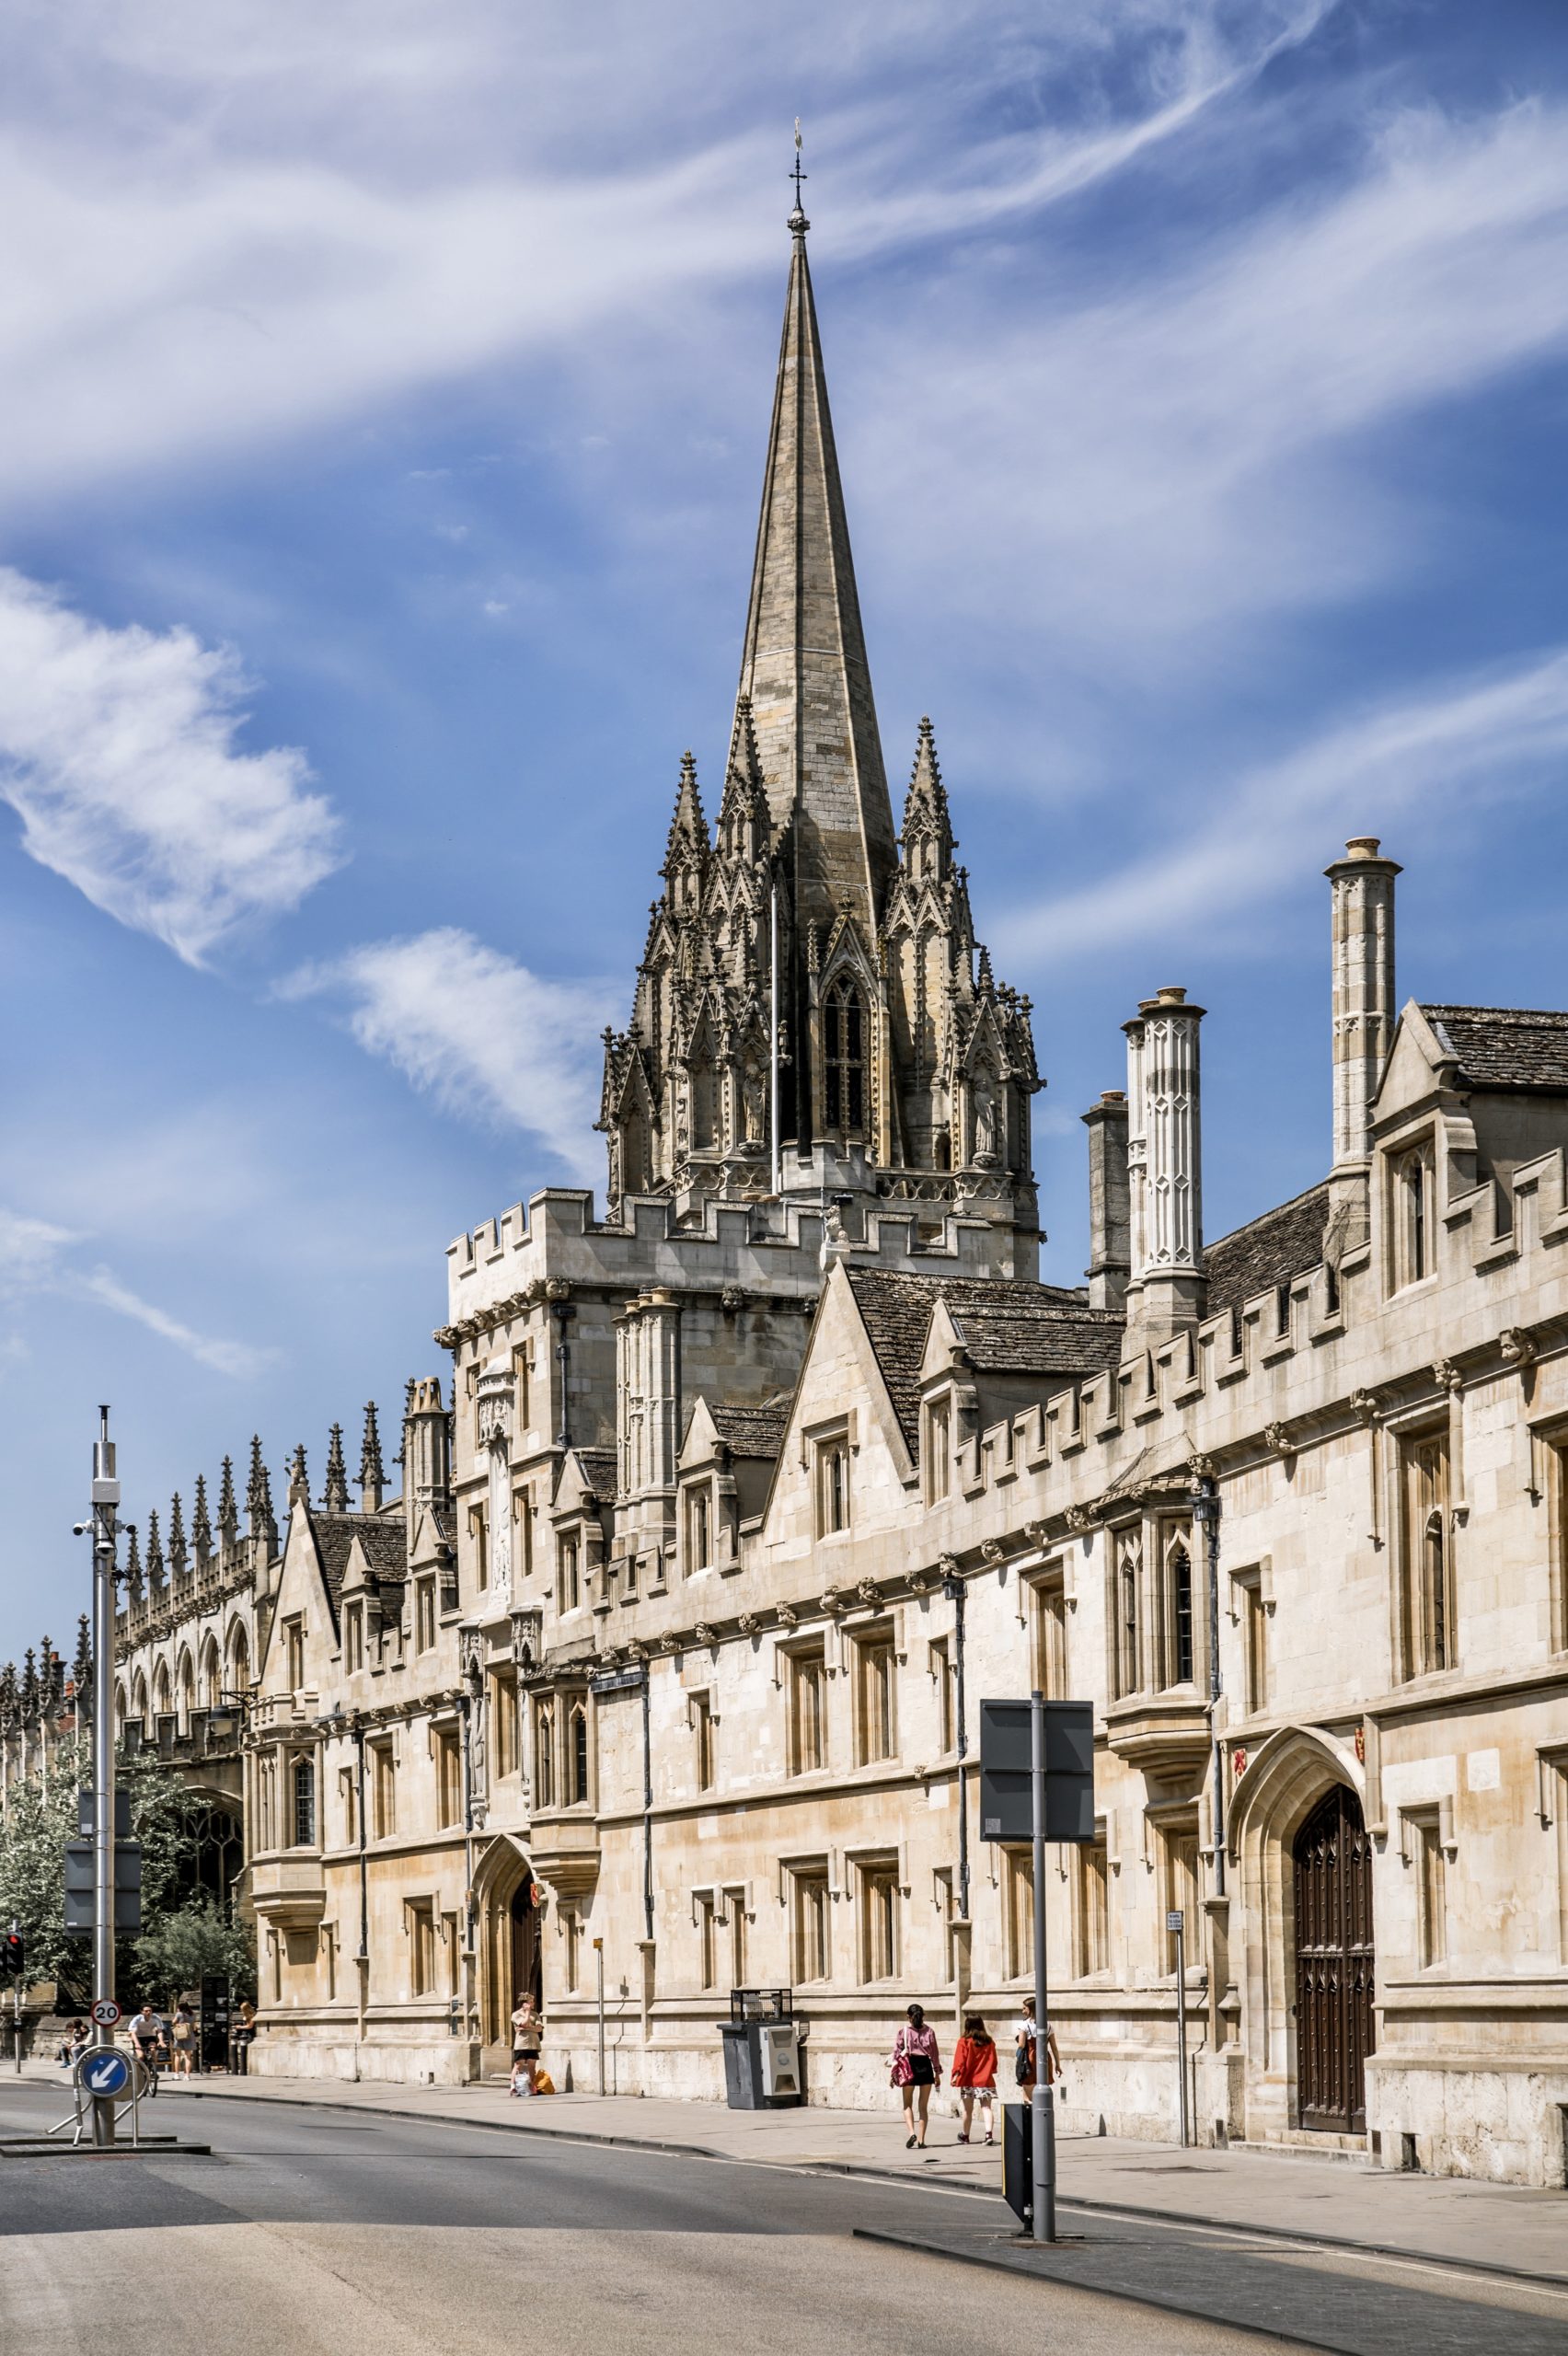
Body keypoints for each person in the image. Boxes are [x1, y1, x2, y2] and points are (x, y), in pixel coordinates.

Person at [891, 2002, 941, 2150]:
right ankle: (921, 2140)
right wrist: (937, 2073)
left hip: (909, 2067)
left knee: (907, 2104)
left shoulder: (903, 2032)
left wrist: (893, 2073)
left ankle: (911, 2133)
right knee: (923, 2107)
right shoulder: (930, 2032)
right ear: (923, 2016)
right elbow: (935, 2054)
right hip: (925, 2067)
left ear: (908, 2017)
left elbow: (896, 2054)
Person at [951, 2014, 998, 2145]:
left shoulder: (964, 2041)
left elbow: (960, 2061)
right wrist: (990, 2070)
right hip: (985, 2079)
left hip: (969, 2080)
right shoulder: (989, 2042)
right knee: (986, 2107)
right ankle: (989, 2134)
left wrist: (955, 2075)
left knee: (967, 2110)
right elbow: (994, 2061)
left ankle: (965, 2136)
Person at [1014, 1994, 1062, 2096]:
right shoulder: (1048, 2025)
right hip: (1045, 2059)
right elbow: (1054, 2048)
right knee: (1042, 2090)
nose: (1022, 2011)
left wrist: (1017, 2057)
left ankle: (1031, 2110)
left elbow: (1021, 2045)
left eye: (1024, 2008)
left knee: (1028, 2095)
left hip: (1029, 2059)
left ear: (1031, 2009)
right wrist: (1058, 2065)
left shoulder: (1024, 2025)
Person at [509, 1993, 544, 2096]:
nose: (533, 2003)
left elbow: (539, 2028)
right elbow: (523, 2023)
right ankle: (513, 2087)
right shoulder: (516, 2014)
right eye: (531, 2001)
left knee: (532, 2066)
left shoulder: (536, 2014)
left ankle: (532, 2086)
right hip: (521, 2043)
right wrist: (527, 2012)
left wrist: (527, 2029)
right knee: (518, 2065)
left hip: (533, 2043)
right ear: (525, 2003)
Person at [130, 2004, 165, 2096]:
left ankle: (153, 2068)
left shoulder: (156, 2018)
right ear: (142, 2012)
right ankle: (138, 2072)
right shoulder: (137, 2019)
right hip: (138, 2038)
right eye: (146, 2011)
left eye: (150, 2011)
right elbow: (132, 2033)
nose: (148, 2012)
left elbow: (160, 2031)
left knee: (153, 2049)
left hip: (150, 2037)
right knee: (140, 2056)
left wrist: (161, 2041)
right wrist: (137, 2044)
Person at [169, 2002, 196, 2077]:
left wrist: (177, 2023)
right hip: (190, 2036)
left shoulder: (179, 2014)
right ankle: (187, 2075)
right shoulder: (192, 2015)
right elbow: (193, 2026)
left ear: (180, 2008)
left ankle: (177, 2074)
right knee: (188, 2056)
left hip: (180, 2036)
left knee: (177, 2055)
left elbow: (173, 2022)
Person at [233, 2000, 257, 2075]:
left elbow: (250, 2026)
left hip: (249, 2034)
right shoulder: (245, 2016)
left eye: (242, 2009)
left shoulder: (252, 2016)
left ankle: (246, 2068)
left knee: (246, 2051)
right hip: (244, 2034)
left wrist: (240, 2027)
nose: (241, 2011)